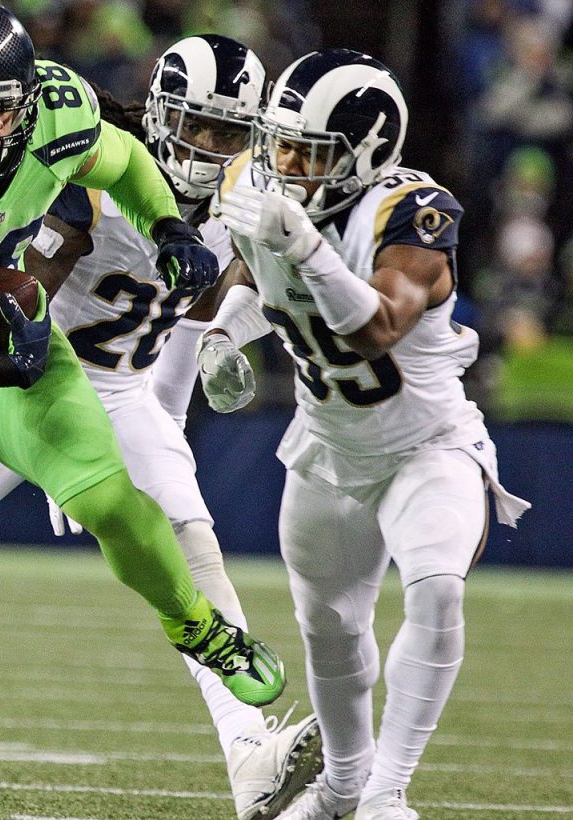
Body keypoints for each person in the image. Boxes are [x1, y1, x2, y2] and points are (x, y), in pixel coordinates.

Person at [0, 2, 285, 817]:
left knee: (115, 498)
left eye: (10, 104)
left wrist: (170, 227)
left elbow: (124, 161)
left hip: (28, 344)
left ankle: (203, 633)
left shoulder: (55, 111)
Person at [0, 34, 320, 820]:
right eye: (200, 126)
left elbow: (213, 311)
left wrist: (222, 340)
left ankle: (249, 757)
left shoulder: (245, 200)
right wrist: (53, 434)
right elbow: (23, 297)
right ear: (161, 112)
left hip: (124, 392)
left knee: (191, 545)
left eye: (230, 132)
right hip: (37, 376)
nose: (213, 148)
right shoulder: (101, 175)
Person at [204, 49, 531, 819]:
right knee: (328, 626)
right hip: (326, 445)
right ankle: (342, 785)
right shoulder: (259, 182)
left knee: (438, 589)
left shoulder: (413, 214)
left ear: (369, 152)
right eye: (279, 142)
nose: (285, 162)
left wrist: (308, 246)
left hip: (426, 444)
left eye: (309, 150)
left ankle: (387, 793)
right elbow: (260, 278)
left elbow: (377, 326)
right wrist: (224, 332)